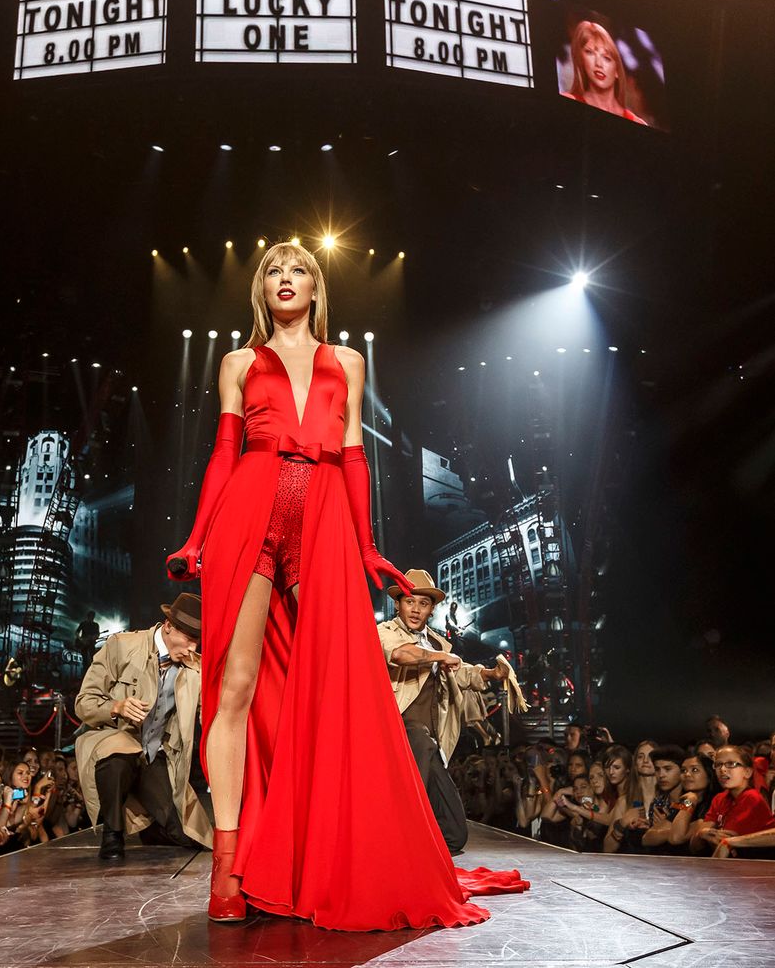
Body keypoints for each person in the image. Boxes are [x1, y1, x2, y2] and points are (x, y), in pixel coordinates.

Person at [166, 242, 528, 929]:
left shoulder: (347, 362)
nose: (284, 279)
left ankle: (333, 849)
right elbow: (223, 450)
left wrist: (365, 544)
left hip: (326, 513)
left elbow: (356, 453)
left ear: (316, 287)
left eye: (297, 269)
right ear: (260, 289)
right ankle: (227, 866)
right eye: (272, 271)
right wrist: (194, 535)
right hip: (251, 506)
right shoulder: (239, 362)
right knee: (234, 684)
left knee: (342, 685)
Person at [376, 568, 526, 854]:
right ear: (398, 604)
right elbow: (401, 654)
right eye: (410, 601)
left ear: (432, 609)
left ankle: (421, 855)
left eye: (423, 603)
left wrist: (492, 673)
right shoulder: (385, 632)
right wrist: (441, 656)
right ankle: (396, 842)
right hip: (396, 733)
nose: (416, 609)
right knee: (418, 740)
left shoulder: (437, 643)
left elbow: (460, 671)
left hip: (432, 744)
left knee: (455, 836)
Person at [75, 592, 212, 860]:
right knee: (116, 759)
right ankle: (112, 833)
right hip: (115, 743)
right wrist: (116, 707)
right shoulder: (122, 646)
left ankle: (153, 826)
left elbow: (208, 713)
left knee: (187, 836)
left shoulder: (195, 667)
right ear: (169, 626)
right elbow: (83, 702)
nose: (193, 648)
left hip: (155, 753)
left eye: (198, 641)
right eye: (189, 638)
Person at [691, 745, 775, 856]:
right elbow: (692, 844)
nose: (722, 769)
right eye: (718, 764)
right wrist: (701, 833)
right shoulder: (718, 798)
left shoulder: (751, 798)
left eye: (731, 764)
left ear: (747, 772)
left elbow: (677, 837)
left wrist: (705, 834)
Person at [561, 20, 648, 124]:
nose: (599, 64)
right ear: (581, 61)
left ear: (617, 71)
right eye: (590, 53)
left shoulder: (638, 122)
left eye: (607, 58)